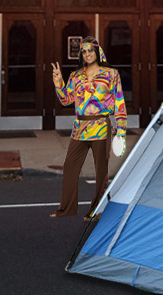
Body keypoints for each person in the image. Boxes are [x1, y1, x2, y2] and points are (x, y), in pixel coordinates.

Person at [51, 36, 127, 220]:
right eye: (83, 51)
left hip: (101, 126)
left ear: (97, 52)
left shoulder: (111, 74)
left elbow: (119, 103)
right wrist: (59, 82)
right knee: (70, 166)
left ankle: (97, 211)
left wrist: (121, 130)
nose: (87, 54)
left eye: (90, 50)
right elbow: (66, 100)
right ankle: (66, 209)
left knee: (101, 171)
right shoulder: (76, 76)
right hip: (80, 127)